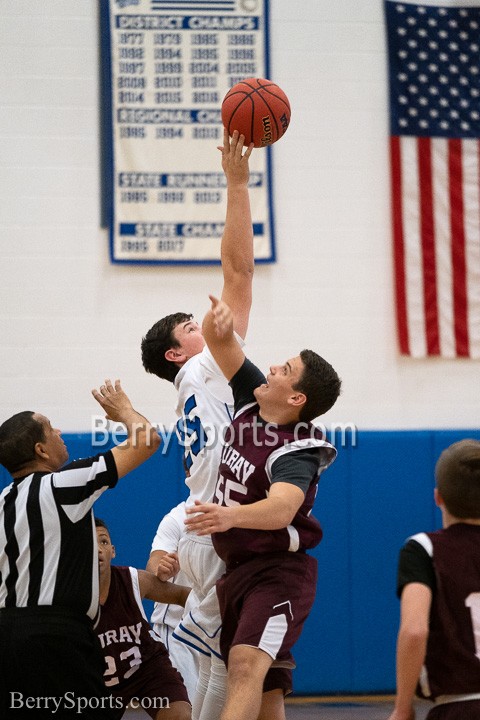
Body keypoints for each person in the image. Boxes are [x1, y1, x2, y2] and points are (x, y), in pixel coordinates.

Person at [184, 295, 342, 720]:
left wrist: (228, 516)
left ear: (296, 399)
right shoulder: (253, 400)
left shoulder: (298, 450)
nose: (272, 367)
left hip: (278, 574)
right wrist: (217, 323)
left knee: (244, 666)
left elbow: (281, 509)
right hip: (239, 571)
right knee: (267, 691)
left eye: (285, 371)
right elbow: (223, 346)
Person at [141, 129, 254, 720]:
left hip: (206, 517)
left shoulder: (193, 385)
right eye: (190, 324)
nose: (203, 320)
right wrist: (237, 185)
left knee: (221, 661)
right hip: (217, 521)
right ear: (176, 353)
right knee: (223, 662)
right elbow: (239, 272)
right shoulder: (209, 367)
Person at [0, 379, 160, 719]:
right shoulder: (62, 483)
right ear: (41, 451)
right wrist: (124, 412)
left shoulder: (2, 502)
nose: (59, 431)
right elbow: (147, 440)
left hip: (6, 633)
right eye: (50, 429)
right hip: (56, 636)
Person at [387, 439, 480, 720]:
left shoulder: (424, 548)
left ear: (438, 497)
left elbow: (414, 631)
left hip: (459, 705)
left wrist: (403, 707)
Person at [95, 518, 191, 720]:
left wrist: (216, 608)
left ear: (113, 550)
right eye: (90, 543)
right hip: (99, 683)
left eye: (103, 542)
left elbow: (182, 595)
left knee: (179, 715)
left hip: (147, 670)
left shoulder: (133, 580)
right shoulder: (69, 597)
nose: (98, 549)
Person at [146, 501, 199, 702]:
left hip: (218, 633)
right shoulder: (178, 518)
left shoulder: (236, 509)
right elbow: (155, 562)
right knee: (188, 712)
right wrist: (162, 569)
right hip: (178, 633)